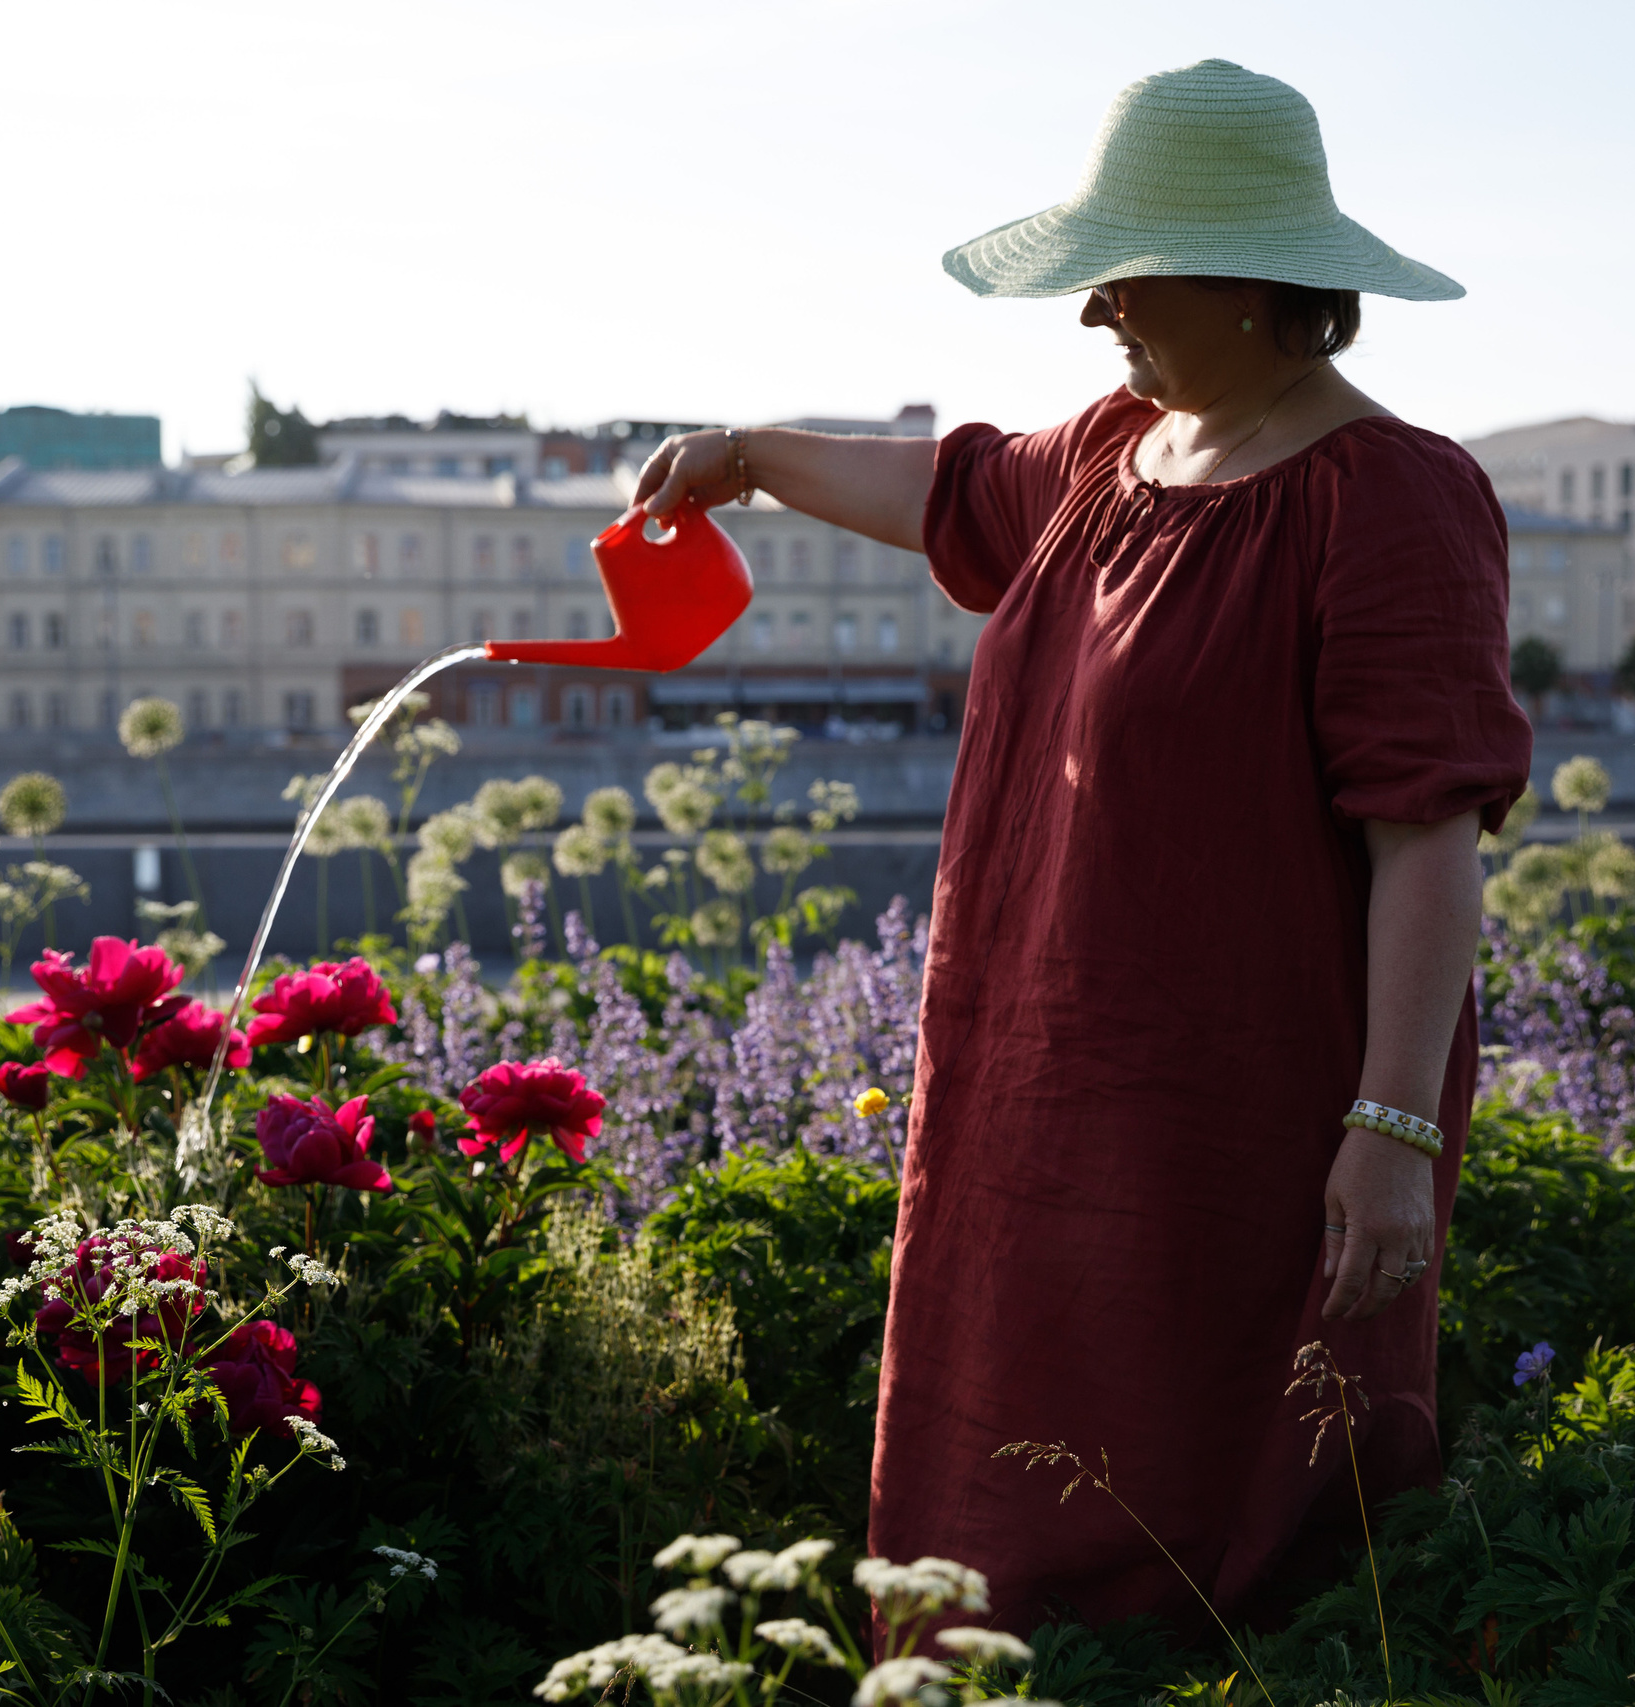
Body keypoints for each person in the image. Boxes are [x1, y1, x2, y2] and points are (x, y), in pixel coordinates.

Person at [635, 60, 1531, 1632]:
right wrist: (751, 453)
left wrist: (1393, 1130)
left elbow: (1429, 835)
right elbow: (950, 489)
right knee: (1010, 1476)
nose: (1091, 307)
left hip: (1246, 1124)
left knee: (1222, 1517)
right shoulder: (1117, 446)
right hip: (1037, 1097)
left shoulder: (1392, 497)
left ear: (1247, 278)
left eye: (1123, 269)